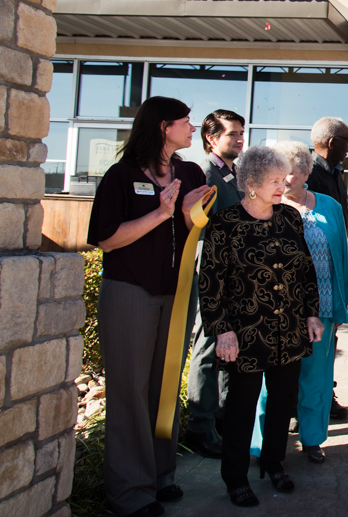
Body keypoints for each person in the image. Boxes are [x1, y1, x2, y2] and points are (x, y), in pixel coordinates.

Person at [87, 96, 210, 517]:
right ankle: (129, 493)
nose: (192, 128)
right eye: (185, 121)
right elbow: (106, 239)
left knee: (164, 387)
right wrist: (160, 213)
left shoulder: (190, 172)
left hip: (177, 293)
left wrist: (190, 213)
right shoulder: (121, 176)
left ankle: (160, 476)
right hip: (130, 293)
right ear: (162, 127)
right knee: (130, 391)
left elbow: (192, 229)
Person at [198, 146, 324, 508]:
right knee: (241, 407)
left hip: (289, 328)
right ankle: (236, 478)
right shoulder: (224, 223)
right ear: (251, 184)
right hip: (245, 333)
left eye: (283, 179)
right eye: (274, 181)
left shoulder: (290, 217)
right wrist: (222, 330)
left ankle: (274, 462)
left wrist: (311, 314)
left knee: (283, 402)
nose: (283, 186)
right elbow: (210, 283)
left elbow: (305, 270)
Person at [253, 141, 348, 464]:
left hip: (322, 308)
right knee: (269, 383)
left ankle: (312, 439)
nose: (282, 180)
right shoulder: (264, 206)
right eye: (276, 174)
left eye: (289, 173)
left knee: (316, 379)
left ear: (307, 172)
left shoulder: (330, 206)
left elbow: (341, 253)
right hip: (276, 313)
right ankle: (262, 444)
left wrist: (343, 301)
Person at [186, 109, 245, 460]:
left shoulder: (231, 173)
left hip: (233, 276)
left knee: (227, 348)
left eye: (241, 133)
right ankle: (200, 425)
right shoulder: (205, 174)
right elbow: (200, 230)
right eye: (232, 134)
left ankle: (221, 418)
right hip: (213, 275)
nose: (239, 139)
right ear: (211, 138)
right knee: (208, 348)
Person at [306, 116, 348, 422]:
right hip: (313, 272)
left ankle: (325, 392)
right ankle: (302, 404)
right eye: (347, 142)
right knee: (313, 341)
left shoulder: (336, 172)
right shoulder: (310, 173)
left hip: (333, 265)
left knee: (329, 339)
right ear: (332, 142)